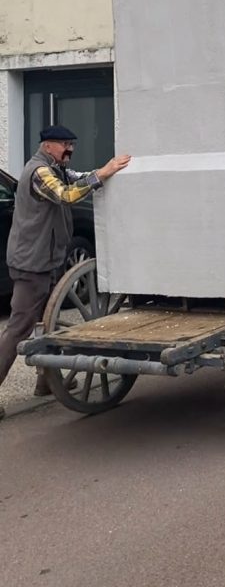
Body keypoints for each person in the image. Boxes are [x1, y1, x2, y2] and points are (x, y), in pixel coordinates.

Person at [0, 125, 131, 420]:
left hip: (48, 259)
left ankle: (46, 382)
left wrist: (110, 170)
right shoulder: (39, 172)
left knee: (48, 322)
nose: (69, 149)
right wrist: (106, 171)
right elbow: (67, 195)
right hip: (32, 263)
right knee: (18, 329)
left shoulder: (56, 168)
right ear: (48, 146)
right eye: (64, 144)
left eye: (71, 144)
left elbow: (81, 178)